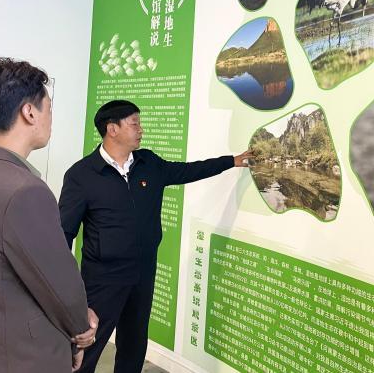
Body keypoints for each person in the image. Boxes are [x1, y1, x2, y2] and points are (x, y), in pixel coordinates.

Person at [59, 100, 252, 373]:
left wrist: (231, 161)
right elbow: (63, 234)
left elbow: (188, 170)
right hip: (103, 277)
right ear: (112, 129)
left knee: (134, 342)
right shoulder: (82, 175)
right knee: (88, 344)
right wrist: (66, 288)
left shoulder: (148, 163)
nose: (141, 130)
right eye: (134, 124)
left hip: (143, 272)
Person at [0, 58, 98, 373]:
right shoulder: (25, 191)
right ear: (29, 112)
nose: (51, 118)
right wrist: (82, 329)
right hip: (22, 357)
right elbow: (60, 286)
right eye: (49, 108)